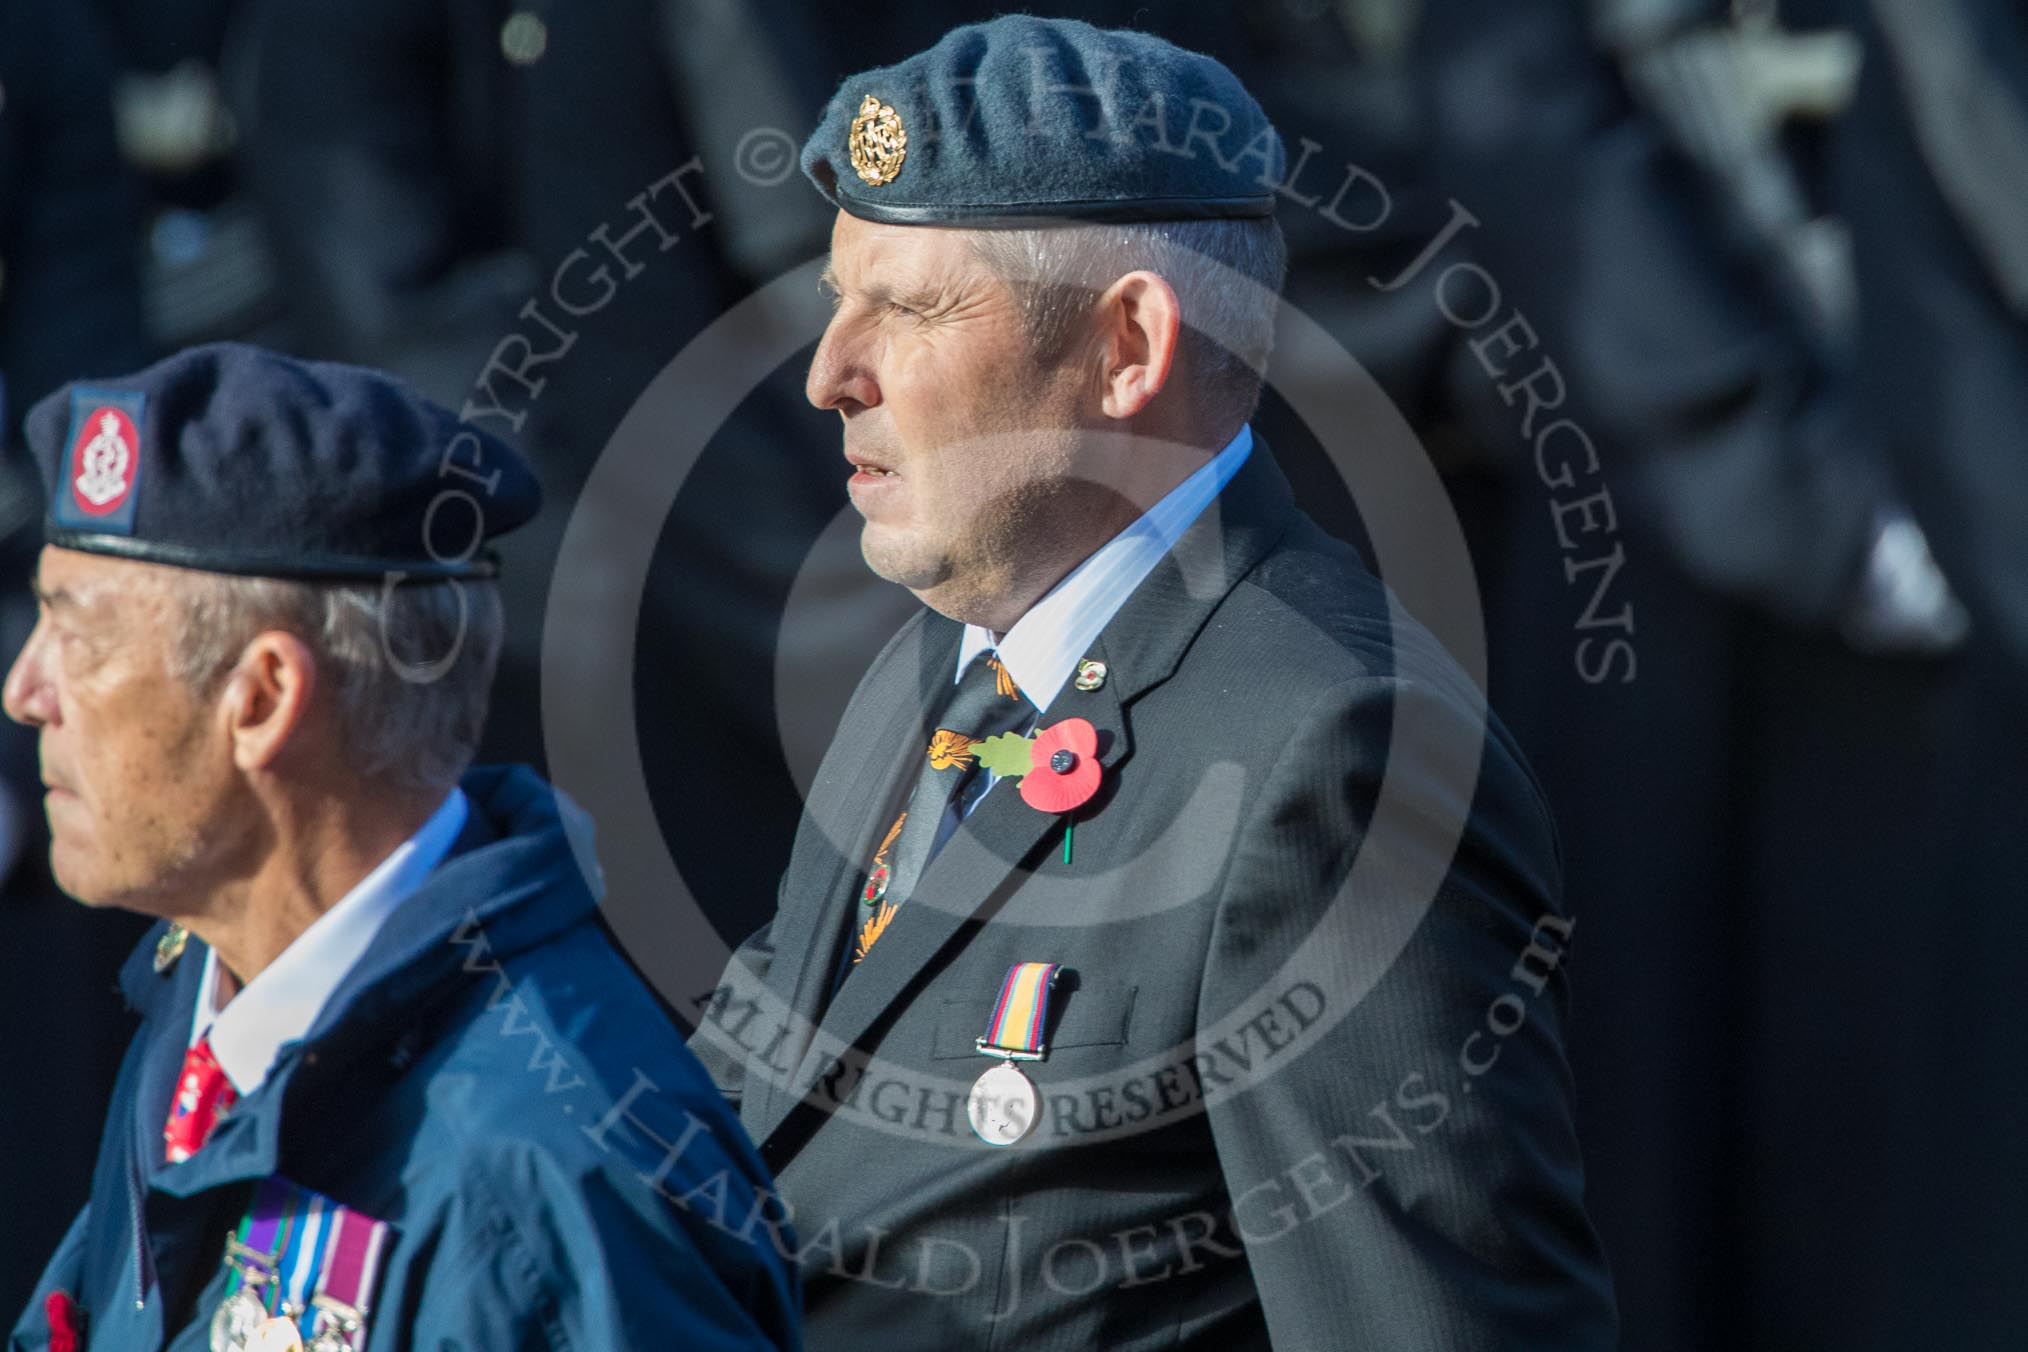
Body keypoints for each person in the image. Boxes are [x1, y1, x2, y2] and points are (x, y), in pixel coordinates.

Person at [689, 16, 1616, 1349]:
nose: (833, 372)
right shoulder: (939, 664)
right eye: (842, 301)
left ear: (1128, 345)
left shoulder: (1331, 749)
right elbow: (748, 1139)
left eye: (909, 308)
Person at [4, 344, 800, 1351]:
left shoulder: (551, 1181)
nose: (26, 688)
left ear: (260, 701)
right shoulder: (210, 1007)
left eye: (80, 637)